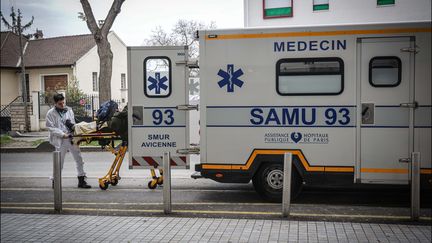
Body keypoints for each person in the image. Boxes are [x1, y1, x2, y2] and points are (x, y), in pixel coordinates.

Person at [46, 93, 91, 188]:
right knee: (59, 162)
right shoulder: (50, 113)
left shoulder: (69, 110)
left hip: (71, 138)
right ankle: (56, 182)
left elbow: (73, 123)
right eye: (60, 104)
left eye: (63, 102)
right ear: (55, 103)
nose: (62, 105)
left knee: (79, 159)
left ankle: (81, 180)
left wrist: (74, 132)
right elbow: (51, 128)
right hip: (60, 140)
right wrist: (63, 135)